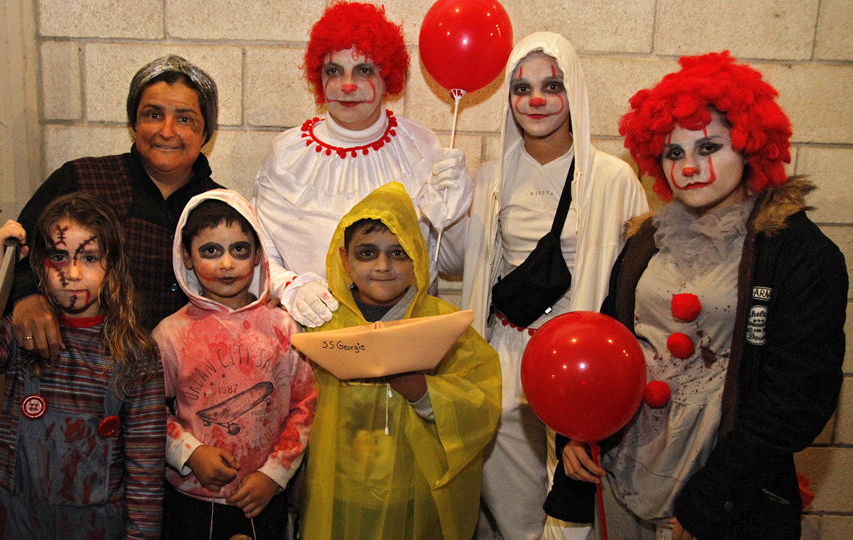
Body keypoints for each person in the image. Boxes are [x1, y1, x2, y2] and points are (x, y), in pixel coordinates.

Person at [546, 51, 848, 540]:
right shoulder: (646, 239)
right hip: (626, 478)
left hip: (720, 495)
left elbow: (800, 395)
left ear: (751, 146)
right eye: (674, 153)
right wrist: (578, 433)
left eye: (708, 148)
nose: (689, 167)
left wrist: (712, 502)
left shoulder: (799, 253)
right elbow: (609, 344)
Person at [460, 32, 649, 540]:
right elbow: (468, 265)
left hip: (584, 360)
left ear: (575, 92)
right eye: (522, 88)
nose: (536, 99)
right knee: (511, 507)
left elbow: (635, 280)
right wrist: (442, 212)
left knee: (575, 505)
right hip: (509, 354)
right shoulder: (491, 176)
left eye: (552, 85)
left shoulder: (613, 177)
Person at [0, 192, 167, 539]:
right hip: (19, 518)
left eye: (89, 258)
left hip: (98, 523)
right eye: (59, 257)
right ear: (38, 266)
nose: (72, 273)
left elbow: (146, 466)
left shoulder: (136, 353)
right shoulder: (25, 336)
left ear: (113, 268)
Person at [299, 181, 501, 539]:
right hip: (337, 494)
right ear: (345, 259)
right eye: (367, 253)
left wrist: (424, 392)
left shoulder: (444, 326)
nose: (382, 266)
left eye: (398, 252)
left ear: (417, 257)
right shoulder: (323, 323)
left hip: (415, 498)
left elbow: (481, 404)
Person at [253, 1, 472, 328]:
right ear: (319, 76)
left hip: (404, 346)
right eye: (334, 71)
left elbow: (453, 263)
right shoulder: (287, 154)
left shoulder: (422, 148)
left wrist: (458, 218)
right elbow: (257, 252)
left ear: (388, 78)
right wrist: (291, 287)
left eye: (364, 70)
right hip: (313, 342)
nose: (347, 86)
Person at [11, 54, 224, 358]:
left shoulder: (222, 207)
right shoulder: (81, 179)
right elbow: (18, 249)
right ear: (134, 123)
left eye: (185, 118)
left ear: (205, 133)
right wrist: (26, 297)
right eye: (153, 115)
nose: (167, 131)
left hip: (182, 382)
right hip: (81, 373)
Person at [154, 190, 316, 540]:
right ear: (186, 254)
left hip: (265, 497)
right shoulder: (170, 334)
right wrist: (190, 453)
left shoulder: (284, 327)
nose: (226, 264)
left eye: (239, 249)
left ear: (258, 254)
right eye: (210, 250)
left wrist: (275, 473)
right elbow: (147, 409)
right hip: (193, 502)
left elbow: (304, 405)